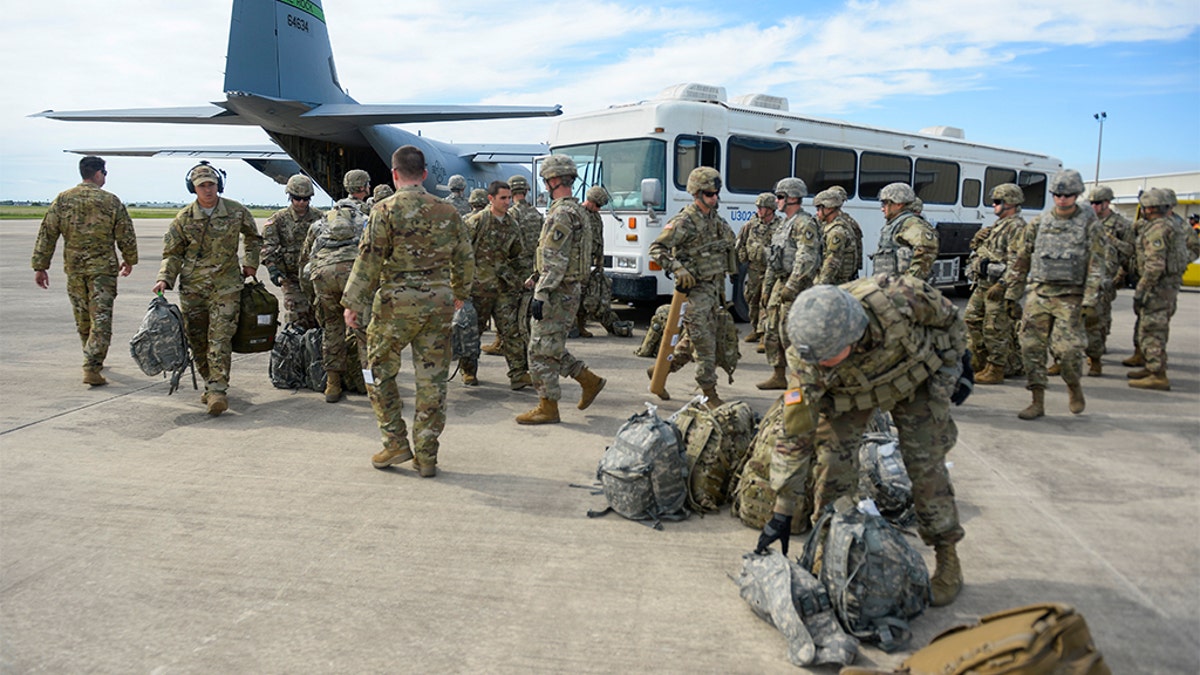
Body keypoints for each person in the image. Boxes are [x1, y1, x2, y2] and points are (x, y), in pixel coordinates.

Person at [756, 278, 969, 607]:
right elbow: (796, 432)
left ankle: (947, 558)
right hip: (849, 396)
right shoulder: (808, 358)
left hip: (913, 378)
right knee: (831, 468)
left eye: (830, 355)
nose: (822, 363)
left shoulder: (901, 297)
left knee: (926, 467)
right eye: (818, 359)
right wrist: (782, 510)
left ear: (854, 332)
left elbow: (951, 321)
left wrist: (956, 368)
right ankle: (828, 552)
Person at [342, 145, 474, 477]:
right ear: (425, 174)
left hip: (394, 305)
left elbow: (368, 259)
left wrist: (352, 303)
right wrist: (459, 292)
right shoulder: (447, 210)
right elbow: (465, 257)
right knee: (432, 380)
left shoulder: (384, 210)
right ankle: (427, 455)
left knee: (376, 372)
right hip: (438, 304)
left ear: (395, 173)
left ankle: (395, 441)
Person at [152, 162, 262, 416]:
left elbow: (253, 238)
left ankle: (217, 390)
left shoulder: (236, 211)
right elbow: (172, 254)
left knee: (220, 339)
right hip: (193, 289)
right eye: (202, 186)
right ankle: (209, 382)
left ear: (218, 185)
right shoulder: (184, 219)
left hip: (227, 287)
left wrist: (250, 264)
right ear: (193, 188)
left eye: (211, 184)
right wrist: (164, 279)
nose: (208, 190)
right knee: (198, 340)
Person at [998, 169, 1104, 419]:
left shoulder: (1090, 224)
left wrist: (1090, 299)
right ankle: (1037, 400)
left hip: (1071, 296)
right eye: (1057, 194)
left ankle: (1073, 385)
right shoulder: (1040, 223)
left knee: (1068, 351)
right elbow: (1022, 258)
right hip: (1040, 293)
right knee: (1031, 348)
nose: (1062, 199)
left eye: (1067, 195)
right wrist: (1012, 294)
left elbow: (1097, 262)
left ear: (1077, 195)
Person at [515, 155, 607, 424]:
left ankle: (549, 406)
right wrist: (536, 275)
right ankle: (588, 379)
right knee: (550, 345)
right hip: (566, 287)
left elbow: (556, 258)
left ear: (554, 180)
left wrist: (541, 291)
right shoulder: (576, 210)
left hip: (557, 291)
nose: (545, 184)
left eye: (546, 180)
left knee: (539, 348)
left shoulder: (562, 213)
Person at [31, 155, 138, 386]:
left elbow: (47, 233)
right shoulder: (111, 201)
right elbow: (125, 233)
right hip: (102, 271)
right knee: (101, 317)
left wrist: (41, 266)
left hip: (75, 268)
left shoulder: (63, 199)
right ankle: (92, 364)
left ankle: (90, 355)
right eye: (105, 174)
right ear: (98, 173)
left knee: (83, 316)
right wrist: (129, 260)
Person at [647, 166, 738, 407]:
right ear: (696, 194)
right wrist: (678, 268)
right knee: (705, 345)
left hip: (713, 291)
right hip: (694, 292)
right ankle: (709, 393)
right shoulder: (684, 221)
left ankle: (660, 372)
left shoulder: (714, 219)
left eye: (717, 193)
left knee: (690, 343)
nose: (715, 198)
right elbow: (656, 249)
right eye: (709, 194)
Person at [458, 181, 531, 389]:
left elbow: (519, 256)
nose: (508, 202)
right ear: (491, 199)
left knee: (512, 331)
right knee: (473, 332)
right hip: (478, 288)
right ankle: (468, 371)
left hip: (504, 288)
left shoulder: (512, 225)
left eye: (509, 198)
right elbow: (460, 253)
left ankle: (518, 374)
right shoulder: (476, 222)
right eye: (503, 198)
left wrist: (526, 278)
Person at [1126, 188, 1199, 390]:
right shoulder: (1168, 226)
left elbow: (1155, 266)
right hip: (1166, 286)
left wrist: (1141, 290)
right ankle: (1151, 367)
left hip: (1158, 288)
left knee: (1153, 330)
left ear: (1150, 208)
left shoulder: (1158, 229)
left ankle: (1158, 375)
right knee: (1153, 328)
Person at [298, 196, 369, 402]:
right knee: (364, 333)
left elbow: (304, 261)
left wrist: (310, 295)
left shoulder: (319, 224)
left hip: (323, 276)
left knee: (332, 327)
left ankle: (333, 384)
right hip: (353, 275)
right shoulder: (365, 220)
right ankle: (372, 386)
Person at [758, 177, 820, 391]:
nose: (777, 201)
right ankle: (778, 374)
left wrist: (792, 285)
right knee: (772, 330)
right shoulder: (784, 224)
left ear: (792, 198)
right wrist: (767, 287)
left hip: (797, 285)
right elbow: (774, 257)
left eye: (780, 197)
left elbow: (806, 257)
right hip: (780, 282)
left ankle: (800, 377)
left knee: (792, 333)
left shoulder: (804, 223)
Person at [968, 183, 1027, 385]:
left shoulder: (1016, 227)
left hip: (998, 285)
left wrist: (1003, 284)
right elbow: (983, 251)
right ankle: (981, 360)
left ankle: (997, 368)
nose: (993, 205)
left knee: (995, 327)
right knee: (972, 319)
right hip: (983, 283)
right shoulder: (998, 225)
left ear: (1010, 203)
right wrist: (976, 240)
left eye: (997, 202)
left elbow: (1018, 261)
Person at [483, 174, 543, 357]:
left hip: (513, 271)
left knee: (508, 312)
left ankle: (503, 343)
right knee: (526, 313)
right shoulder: (537, 214)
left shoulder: (510, 215)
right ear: (526, 191)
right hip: (531, 269)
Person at [1081, 185, 1135, 376]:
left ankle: (1095, 357)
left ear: (1107, 203)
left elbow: (1130, 251)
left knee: (1099, 318)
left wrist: (1111, 239)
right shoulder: (1085, 222)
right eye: (1091, 203)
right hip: (1083, 273)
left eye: (1097, 203)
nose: (1094, 207)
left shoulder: (1121, 224)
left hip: (1106, 276)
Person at [261, 174, 324, 329]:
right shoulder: (278, 220)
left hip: (315, 277)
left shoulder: (320, 218)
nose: (302, 202)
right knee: (296, 315)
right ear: (290, 197)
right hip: (291, 278)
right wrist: (273, 270)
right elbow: (267, 247)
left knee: (319, 317)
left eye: (306, 198)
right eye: (297, 198)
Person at [575, 186, 633, 338]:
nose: (599, 209)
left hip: (589, 263)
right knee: (576, 296)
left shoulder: (596, 217)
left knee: (587, 296)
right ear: (591, 201)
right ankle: (575, 327)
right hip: (577, 262)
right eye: (598, 205)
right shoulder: (577, 214)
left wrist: (600, 260)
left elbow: (599, 239)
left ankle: (581, 325)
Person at [871, 182, 938, 279]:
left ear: (898, 204)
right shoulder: (896, 224)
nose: (882, 208)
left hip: (901, 290)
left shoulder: (910, 223)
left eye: (885, 203)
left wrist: (910, 280)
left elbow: (927, 248)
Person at [735, 193, 778, 344]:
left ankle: (764, 335)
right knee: (751, 299)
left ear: (771, 209)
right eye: (758, 207)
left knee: (766, 302)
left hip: (771, 270)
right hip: (753, 269)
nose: (759, 210)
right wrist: (738, 264)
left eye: (762, 207)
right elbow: (740, 244)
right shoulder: (751, 225)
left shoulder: (780, 226)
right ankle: (755, 328)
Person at [812, 187, 861, 286]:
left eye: (819, 208)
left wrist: (820, 286)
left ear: (829, 208)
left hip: (834, 284)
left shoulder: (836, 232)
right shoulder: (830, 226)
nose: (817, 212)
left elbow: (832, 262)